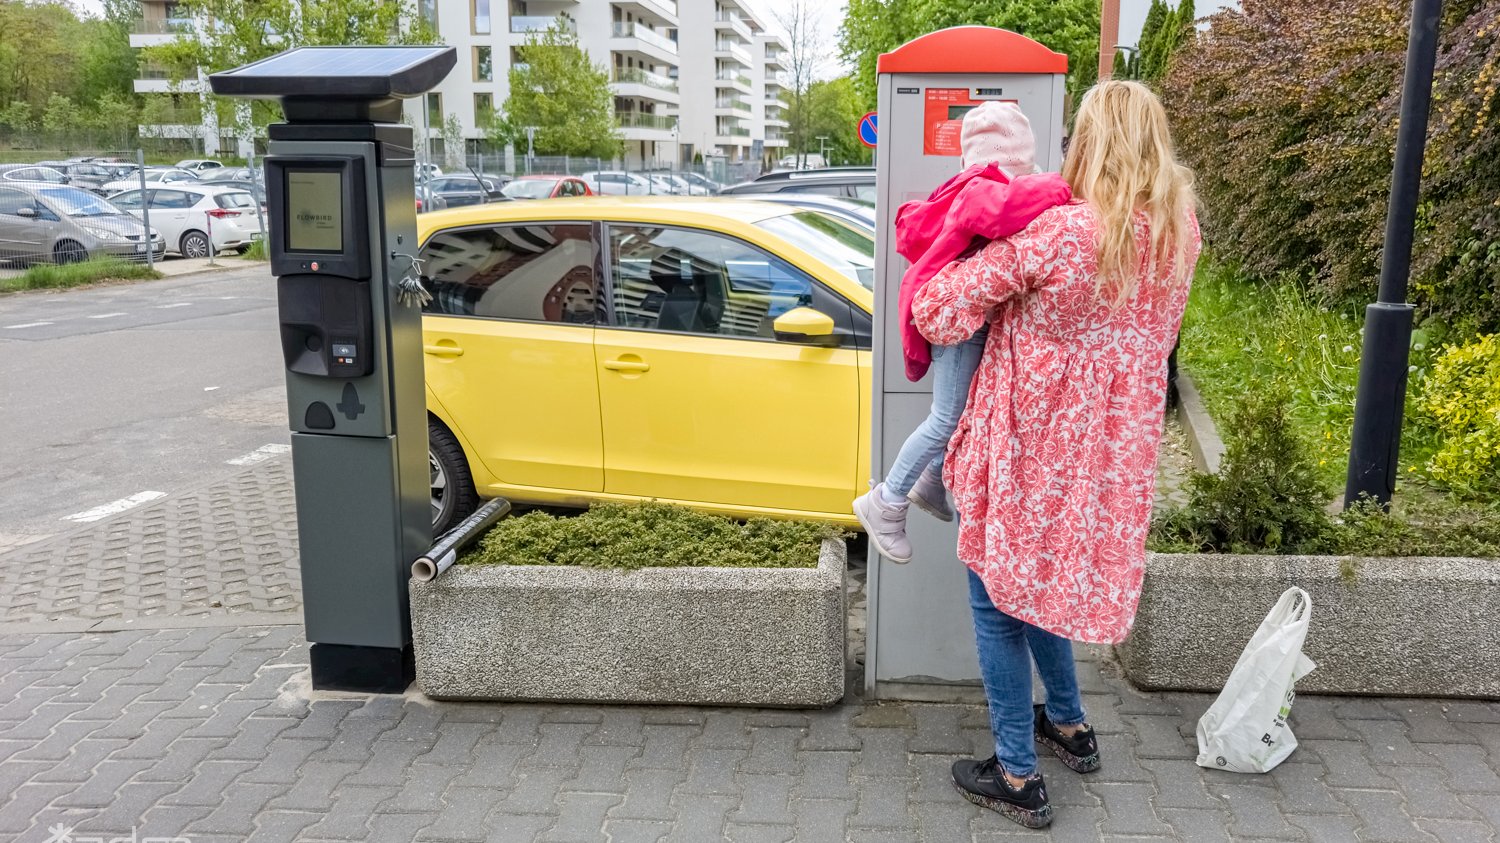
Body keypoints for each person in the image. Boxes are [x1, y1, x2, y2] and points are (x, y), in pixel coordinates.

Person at [910, 81, 1201, 829]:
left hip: (1031, 444)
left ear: (1089, 145)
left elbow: (937, 309)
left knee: (996, 596)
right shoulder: (1180, 232)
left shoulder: (1065, 232)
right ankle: (1070, 724)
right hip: (1110, 452)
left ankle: (1016, 771)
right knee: (1041, 580)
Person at [852, 102, 1071, 561]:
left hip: (966, 321)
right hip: (956, 324)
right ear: (1010, 156)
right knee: (945, 418)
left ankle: (932, 481)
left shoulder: (972, 183)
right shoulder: (982, 189)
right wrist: (1062, 186)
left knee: (967, 409)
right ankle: (886, 502)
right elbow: (1003, 214)